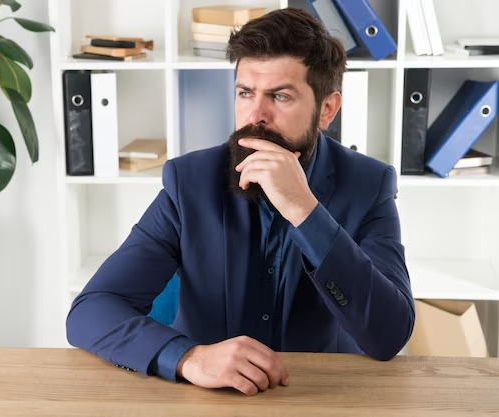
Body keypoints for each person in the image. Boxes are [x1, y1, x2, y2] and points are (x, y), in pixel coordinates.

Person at [66, 7, 415, 396]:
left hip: (319, 395)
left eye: (280, 96)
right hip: (204, 399)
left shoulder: (369, 185)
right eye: (245, 93)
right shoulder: (189, 183)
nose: (256, 115)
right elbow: (90, 311)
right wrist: (187, 357)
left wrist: (304, 209)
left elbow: (389, 335)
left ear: (326, 110)